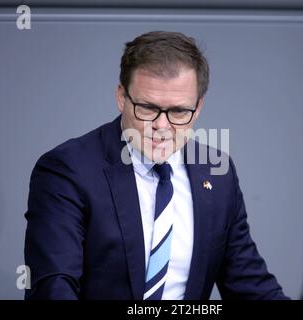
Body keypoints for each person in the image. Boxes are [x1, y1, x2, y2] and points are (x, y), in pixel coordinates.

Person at [24, 31, 288, 300]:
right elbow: (54, 287)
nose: (161, 126)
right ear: (121, 97)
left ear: (197, 109)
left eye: (178, 112)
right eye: (147, 108)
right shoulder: (67, 171)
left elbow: (251, 285)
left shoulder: (217, 174)